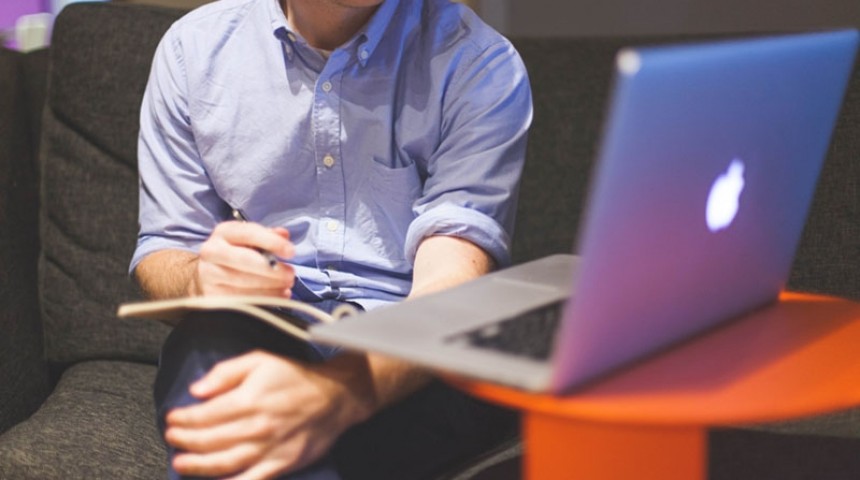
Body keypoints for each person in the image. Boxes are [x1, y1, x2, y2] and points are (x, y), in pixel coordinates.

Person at [131, 0, 532, 478]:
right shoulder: (193, 51)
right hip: (264, 321)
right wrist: (201, 281)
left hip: (414, 340)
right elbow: (163, 248)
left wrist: (335, 393)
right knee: (206, 347)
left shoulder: (477, 64)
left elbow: (447, 288)